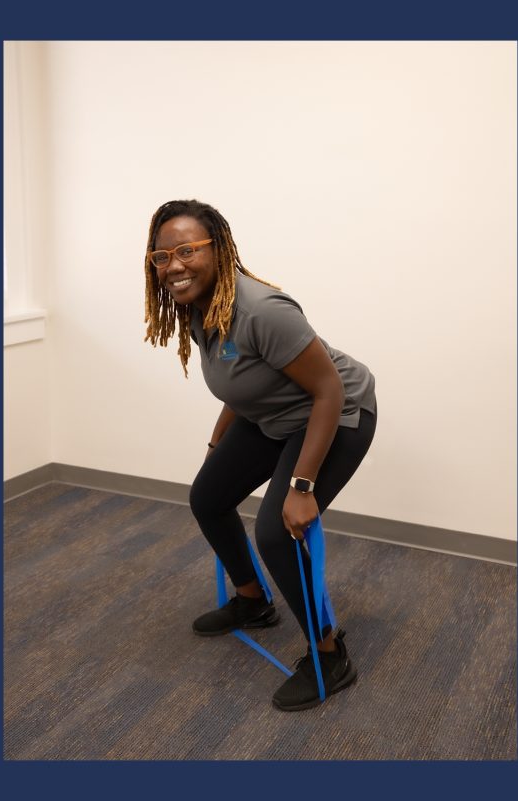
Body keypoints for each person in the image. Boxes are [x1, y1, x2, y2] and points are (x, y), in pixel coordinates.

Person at [143, 199, 376, 711]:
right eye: (162, 257)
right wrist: (215, 445)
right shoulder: (199, 304)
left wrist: (303, 487)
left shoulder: (262, 309)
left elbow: (329, 391)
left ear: (219, 249)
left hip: (336, 413)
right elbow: (242, 381)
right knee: (209, 496)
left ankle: (330, 655)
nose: (174, 266)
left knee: (277, 529)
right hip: (276, 416)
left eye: (186, 251)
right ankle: (252, 601)